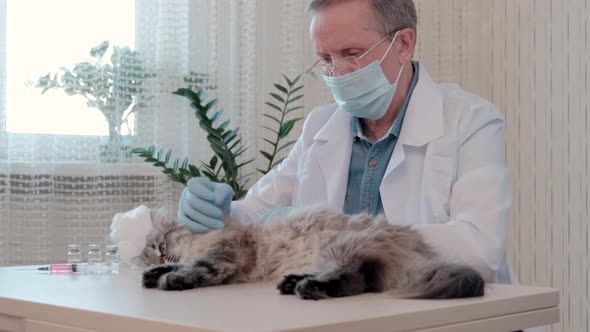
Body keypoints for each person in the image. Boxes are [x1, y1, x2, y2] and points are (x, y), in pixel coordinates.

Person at [177, 0, 514, 285]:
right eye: (325, 59)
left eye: (351, 53)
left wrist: (334, 235)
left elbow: (480, 250)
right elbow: (259, 213)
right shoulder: (321, 127)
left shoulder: (469, 120)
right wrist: (222, 213)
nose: (337, 73)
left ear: (403, 44)